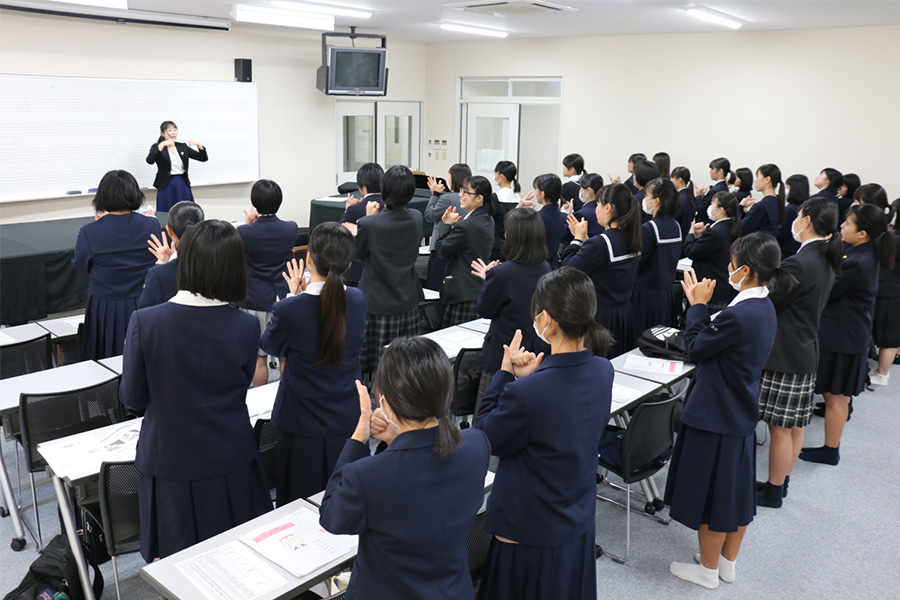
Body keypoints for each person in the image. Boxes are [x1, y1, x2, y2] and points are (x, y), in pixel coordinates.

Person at [121, 220, 272, 560]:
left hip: (169, 459)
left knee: (178, 565)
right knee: (235, 555)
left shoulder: (146, 322)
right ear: (235, 268)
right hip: (230, 455)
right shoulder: (246, 325)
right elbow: (244, 381)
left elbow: (131, 398)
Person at [476, 267, 614, 600]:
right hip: (575, 519)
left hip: (528, 530)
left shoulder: (529, 393)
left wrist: (506, 373)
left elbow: (486, 434)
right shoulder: (602, 370)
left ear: (547, 320)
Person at [319, 337, 490, 600]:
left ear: (385, 403)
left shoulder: (367, 475)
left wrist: (358, 440)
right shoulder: (477, 445)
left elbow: (331, 515)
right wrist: (394, 440)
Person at [665, 233, 790, 589]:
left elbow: (696, 347)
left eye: (732, 264)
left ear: (746, 270)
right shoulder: (763, 303)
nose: (728, 269)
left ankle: (707, 571)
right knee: (736, 494)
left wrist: (698, 307)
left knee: (713, 498)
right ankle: (726, 563)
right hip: (740, 409)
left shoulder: (741, 314)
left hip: (716, 413)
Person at [260, 223, 366, 505]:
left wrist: (293, 295)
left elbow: (271, 345)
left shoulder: (290, 308)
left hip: (301, 419)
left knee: (299, 503)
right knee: (344, 495)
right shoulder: (357, 299)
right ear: (349, 264)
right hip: (345, 414)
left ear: (309, 259)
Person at [756, 198, 840, 508]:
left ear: (805, 221)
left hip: (785, 354)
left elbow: (769, 300)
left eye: (799, 215)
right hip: (805, 350)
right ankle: (782, 482)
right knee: (794, 426)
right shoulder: (826, 257)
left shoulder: (799, 263)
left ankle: (773, 490)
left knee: (779, 428)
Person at [800, 204, 896, 466]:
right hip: (848, 332)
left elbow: (828, 291)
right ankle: (831, 448)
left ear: (863, 233)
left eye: (848, 224)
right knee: (836, 396)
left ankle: (830, 450)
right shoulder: (864, 252)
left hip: (842, 335)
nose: (842, 227)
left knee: (835, 397)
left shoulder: (859, 261)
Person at [73, 169, 161, 360]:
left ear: (102, 197)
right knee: (141, 359)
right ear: (135, 194)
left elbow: (81, 266)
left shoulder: (89, 232)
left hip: (105, 306)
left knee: (104, 358)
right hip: (143, 301)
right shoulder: (152, 225)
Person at [471, 208, 550, 401]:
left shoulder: (501, 273)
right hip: (535, 352)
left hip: (504, 354)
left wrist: (488, 280)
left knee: (491, 412)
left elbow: (485, 309)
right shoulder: (546, 268)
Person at [356, 165, 424, 375]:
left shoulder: (369, 224)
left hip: (379, 304)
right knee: (404, 366)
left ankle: (382, 408)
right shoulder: (416, 216)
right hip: (408, 299)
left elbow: (357, 255)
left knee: (381, 368)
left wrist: (366, 218)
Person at [561, 183, 642, 357]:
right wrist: (587, 241)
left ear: (608, 208)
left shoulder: (600, 243)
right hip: (624, 313)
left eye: (598, 204)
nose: (596, 208)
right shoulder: (632, 236)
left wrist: (577, 239)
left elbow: (567, 271)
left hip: (601, 317)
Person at [238, 179, 299, 387]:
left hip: (255, 299)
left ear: (254, 202)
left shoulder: (244, 232)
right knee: (285, 355)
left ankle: (260, 405)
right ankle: (287, 397)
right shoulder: (291, 228)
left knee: (259, 358)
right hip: (283, 296)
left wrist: (248, 224)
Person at [435, 175, 495, 326]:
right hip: (476, 288)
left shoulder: (466, 226)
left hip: (462, 292)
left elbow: (441, 249)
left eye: (466, 192)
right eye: (461, 191)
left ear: (479, 198)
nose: (460, 195)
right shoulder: (487, 219)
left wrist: (447, 225)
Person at [633, 178, 682, 342]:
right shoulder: (676, 225)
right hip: (666, 293)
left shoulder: (649, 228)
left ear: (657, 200)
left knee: (644, 338)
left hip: (646, 294)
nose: (644, 200)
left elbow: (636, 262)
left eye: (646, 195)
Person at [683, 192, 742, 314]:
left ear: (721, 210)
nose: (709, 207)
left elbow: (691, 251)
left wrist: (691, 233)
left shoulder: (716, 231)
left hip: (709, 287)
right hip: (722, 284)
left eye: (712, 203)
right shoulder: (731, 225)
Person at [138, 200, 205, 308]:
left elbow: (144, 307)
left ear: (169, 230)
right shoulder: (217, 263)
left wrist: (162, 265)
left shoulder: (160, 274)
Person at [424, 163, 471, 290]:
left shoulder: (447, 199)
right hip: (460, 250)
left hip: (442, 248)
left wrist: (434, 194)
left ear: (454, 178)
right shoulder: (470, 198)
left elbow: (429, 215)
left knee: (435, 289)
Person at [145, 120, 208, 213]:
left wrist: (199, 145)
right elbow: (150, 160)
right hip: (166, 184)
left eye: (175, 130)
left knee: (186, 211)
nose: (173, 133)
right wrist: (161, 145)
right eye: (169, 130)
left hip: (182, 182)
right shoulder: (158, 147)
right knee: (167, 211)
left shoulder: (182, 146)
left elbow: (203, 158)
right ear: (162, 133)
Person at [870, 198, 900, 386]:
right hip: (892, 288)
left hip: (891, 290)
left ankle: (882, 374)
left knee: (888, 336)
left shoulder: (895, 240)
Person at [523, 174, 567, 268]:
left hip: (537, 266)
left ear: (542, 193)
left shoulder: (537, 218)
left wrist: (520, 209)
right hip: (556, 266)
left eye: (536, 189)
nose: (535, 193)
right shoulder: (564, 217)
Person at [742, 164, 785, 237]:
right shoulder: (778, 201)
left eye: (758, 176)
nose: (755, 180)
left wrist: (740, 208)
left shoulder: (761, 206)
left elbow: (740, 229)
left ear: (767, 179)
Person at [562, 173, 605, 243]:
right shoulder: (602, 209)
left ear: (589, 190)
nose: (580, 191)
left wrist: (565, 214)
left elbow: (565, 234)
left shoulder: (582, 214)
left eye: (581, 188)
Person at [776, 174, 809, 259]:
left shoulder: (790, 210)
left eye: (788, 187)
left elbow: (782, 234)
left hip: (787, 251)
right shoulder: (805, 207)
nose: (785, 190)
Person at [694, 157, 730, 225]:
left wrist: (698, 196)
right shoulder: (724, 187)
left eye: (712, 169)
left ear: (720, 171)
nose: (710, 172)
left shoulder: (715, 190)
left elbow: (701, 209)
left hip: (706, 224)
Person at [671, 166, 696, 238]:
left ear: (679, 180)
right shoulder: (689, 195)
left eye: (672, 178)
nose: (671, 180)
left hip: (680, 235)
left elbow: (675, 218)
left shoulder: (680, 198)